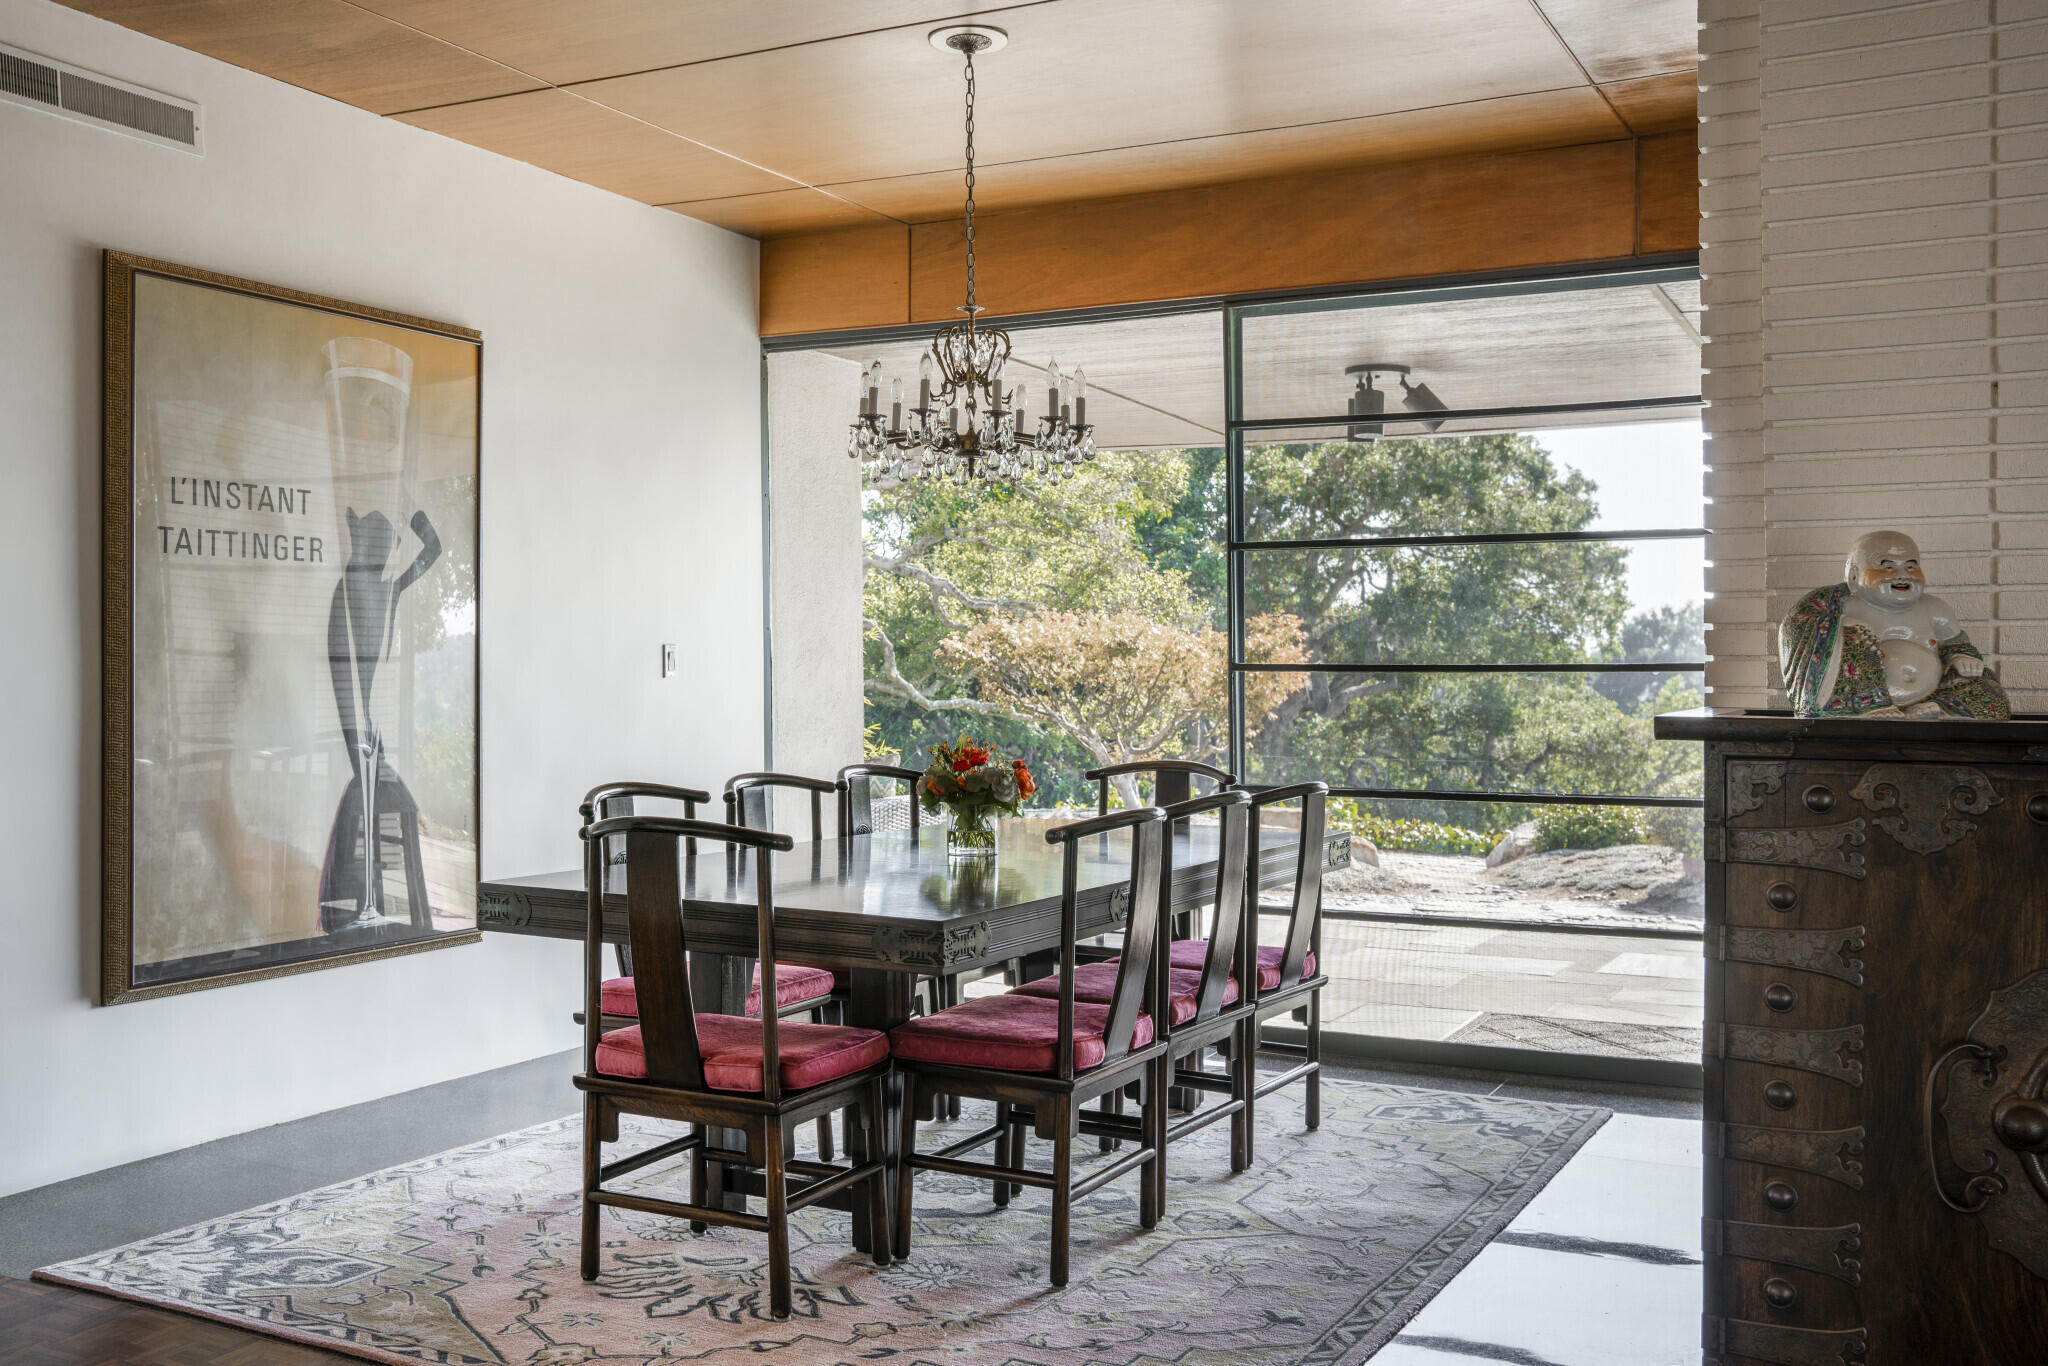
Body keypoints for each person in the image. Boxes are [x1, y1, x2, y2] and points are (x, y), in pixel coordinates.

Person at [1779, 529, 2009, 719]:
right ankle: (1870, 707)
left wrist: (1962, 657)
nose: (1902, 575)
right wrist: (1845, 628)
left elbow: (1956, 645)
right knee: (1848, 628)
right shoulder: (1844, 607)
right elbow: (1803, 630)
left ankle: (1941, 710)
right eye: (1887, 566)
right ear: (1853, 576)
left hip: (1931, 694)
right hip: (1863, 701)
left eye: (1911, 566)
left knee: (1989, 690)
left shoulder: (1935, 608)